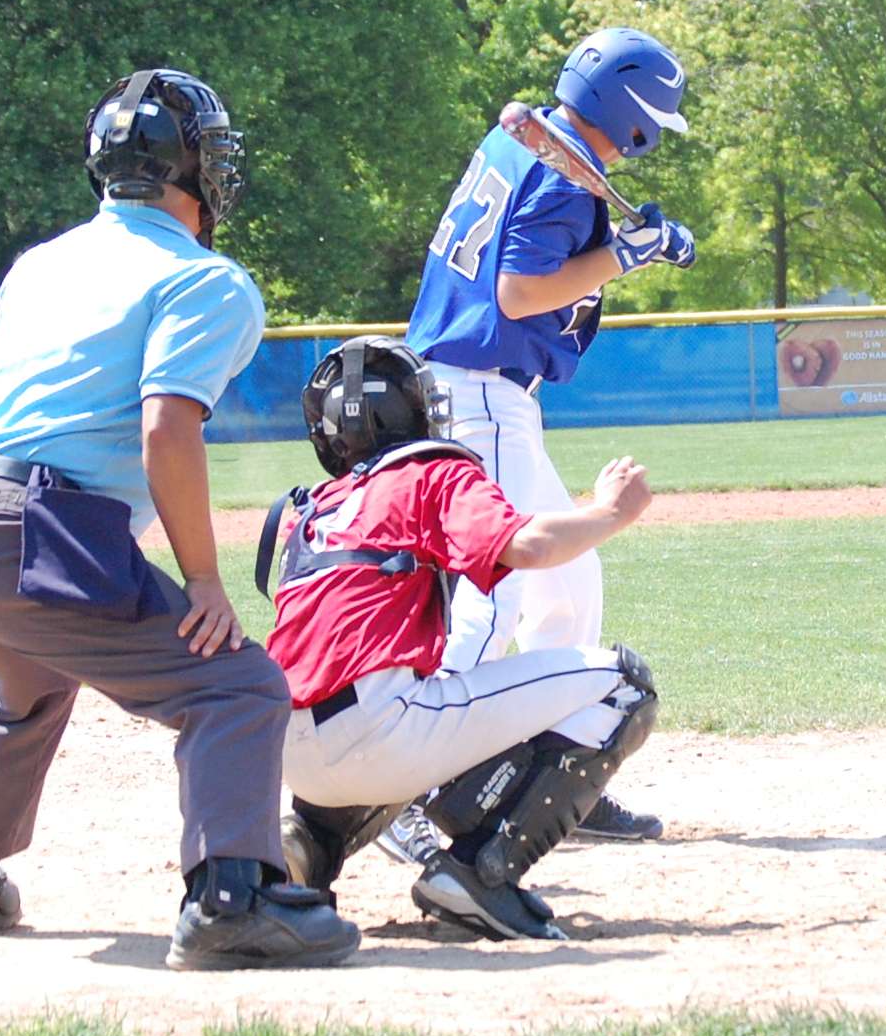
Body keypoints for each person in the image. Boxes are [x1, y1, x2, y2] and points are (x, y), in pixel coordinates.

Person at [0, 68, 358, 972]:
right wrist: (205, 580)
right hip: (14, 522)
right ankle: (232, 900)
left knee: (26, 670)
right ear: (193, 168)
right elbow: (166, 429)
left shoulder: (39, 263)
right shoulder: (205, 280)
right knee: (237, 687)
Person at [399, 26, 695, 846]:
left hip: (475, 389)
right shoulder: (566, 178)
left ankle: (552, 774)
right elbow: (521, 293)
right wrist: (627, 255)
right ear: (631, 114)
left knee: (568, 584)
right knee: (497, 595)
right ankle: (401, 779)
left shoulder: (526, 143)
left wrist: (624, 246)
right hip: (479, 390)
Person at [262, 336, 661, 941]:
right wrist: (610, 512)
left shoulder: (313, 506)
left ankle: (309, 847)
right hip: (382, 732)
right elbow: (528, 547)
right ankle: (479, 870)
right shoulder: (431, 471)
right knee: (624, 684)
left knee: (394, 704)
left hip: (289, 756)